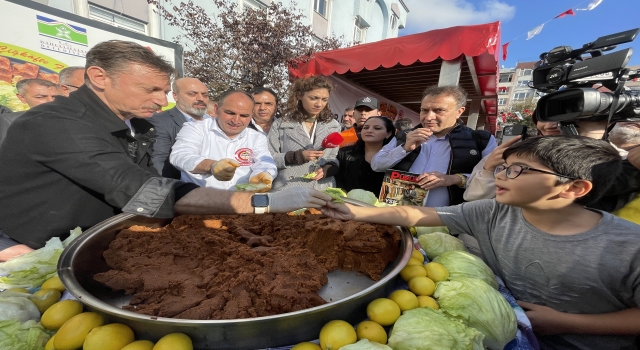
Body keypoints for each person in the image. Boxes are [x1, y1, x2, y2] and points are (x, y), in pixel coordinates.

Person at [0, 40, 330, 261]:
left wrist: (229, 225)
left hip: (99, 244)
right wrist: (263, 202)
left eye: (163, 90)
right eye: (151, 89)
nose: (162, 100)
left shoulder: (138, 125)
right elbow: (139, 188)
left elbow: (150, 190)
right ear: (100, 77)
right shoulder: (56, 124)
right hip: (37, 252)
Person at [320, 136, 640, 350]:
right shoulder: (493, 212)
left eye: (517, 170)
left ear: (573, 188)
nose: (499, 176)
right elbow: (419, 214)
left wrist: (566, 323)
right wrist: (355, 212)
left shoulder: (627, 246)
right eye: (502, 166)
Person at [371, 85, 497, 207]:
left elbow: (492, 180)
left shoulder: (481, 140)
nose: (429, 117)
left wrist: (455, 179)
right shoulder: (405, 136)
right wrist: (404, 148)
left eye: (439, 110)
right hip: (398, 214)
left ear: (459, 112)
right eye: (424, 110)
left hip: (447, 221)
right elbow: (377, 165)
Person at [170, 90, 276, 191]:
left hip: (240, 201)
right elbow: (180, 156)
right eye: (230, 113)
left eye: (244, 115)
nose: (236, 120)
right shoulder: (195, 128)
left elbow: (264, 162)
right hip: (199, 200)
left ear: (251, 114)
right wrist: (212, 166)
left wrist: (263, 174)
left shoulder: (256, 137)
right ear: (216, 109)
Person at [267, 75, 341, 191]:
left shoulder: (333, 125)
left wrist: (328, 169)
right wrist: (296, 156)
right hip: (288, 188)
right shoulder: (281, 124)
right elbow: (269, 158)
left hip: (322, 189)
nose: (319, 104)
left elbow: (332, 156)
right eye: (313, 98)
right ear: (299, 95)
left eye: (324, 99)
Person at [148, 77, 211, 178]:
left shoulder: (214, 121)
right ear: (175, 96)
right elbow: (158, 164)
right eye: (192, 94)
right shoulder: (160, 122)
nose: (200, 98)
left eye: (205, 95)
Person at [335, 116, 395, 195]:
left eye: (377, 128)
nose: (369, 130)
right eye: (366, 127)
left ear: (388, 133)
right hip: (346, 203)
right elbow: (337, 180)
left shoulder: (395, 158)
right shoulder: (344, 153)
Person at [0, 79, 62, 145]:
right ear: (22, 98)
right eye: (40, 97)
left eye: (55, 97)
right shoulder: (12, 121)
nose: (51, 101)